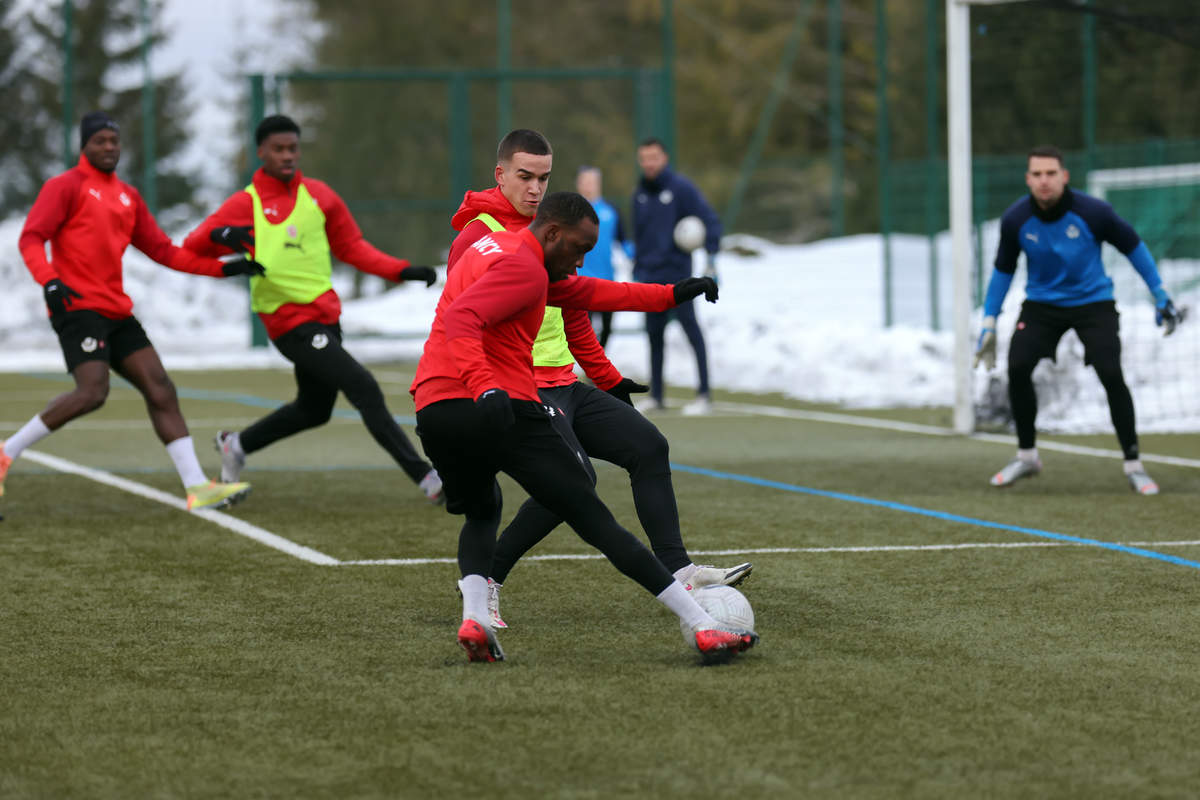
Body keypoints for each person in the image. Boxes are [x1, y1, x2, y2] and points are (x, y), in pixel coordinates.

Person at [412, 190, 757, 663]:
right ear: (551, 232)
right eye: (577, 249)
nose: (579, 262)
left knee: (483, 510)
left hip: (435, 409)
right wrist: (486, 386)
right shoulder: (523, 264)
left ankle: (475, 620)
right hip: (497, 399)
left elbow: (591, 293)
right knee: (593, 516)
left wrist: (671, 293)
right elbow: (463, 317)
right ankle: (702, 625)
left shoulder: (502, 251)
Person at [1, 111, 258, 510]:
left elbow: (165, 251)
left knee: (160, 388)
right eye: (100, 140)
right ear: (84, 144)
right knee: (92, 392)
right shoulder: (65, 186)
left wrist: (224, 268)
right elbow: (32, 238)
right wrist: (49, 281)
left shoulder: (128, 197)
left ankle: (197, 487)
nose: (108, 147)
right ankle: (6, 452)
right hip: (77, 306)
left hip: (116, 310)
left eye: (114, 141)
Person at [183, 115, 444, 503]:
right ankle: (427, 478)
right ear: (261, 153)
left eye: (293, 148)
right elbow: (192, 246)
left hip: (325, 317)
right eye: (279, 149)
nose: (287, 156)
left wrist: (401, 269)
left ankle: (236, 445)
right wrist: (222, 236)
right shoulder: (246, 203)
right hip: (287, 321)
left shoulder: (319, 195)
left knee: (314, 409)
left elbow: (352, 247)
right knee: (364, 388)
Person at [974, 145, 1183, 495]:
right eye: (1037, 174)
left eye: (1051, 173)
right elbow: (1003, 271)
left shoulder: (1094, 212)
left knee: (1110, 372)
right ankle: (1026, 457)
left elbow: (1134, 247)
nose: (1044, 181)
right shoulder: (1015, 220)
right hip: (1042, 305)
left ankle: (1133, 464)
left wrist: (1160, 294)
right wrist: (989, 320)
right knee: (1018, 366)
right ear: (1028, 179)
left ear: (1064, 176)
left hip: (1093, 303)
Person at [631, 137, 722, 415]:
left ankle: (704, 394)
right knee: (654, 335)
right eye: (645, 158)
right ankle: (657, 396)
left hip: (677, 276)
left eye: (654, 157)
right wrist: (638, 268)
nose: (649, 163)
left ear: (664, 158)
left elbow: (709, 220)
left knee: (691, 330)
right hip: (649, 276)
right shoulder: (639, 194)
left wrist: (711, 255)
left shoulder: (682, 189)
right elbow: (640, 236)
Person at [574, 165, 626, 348]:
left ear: (599, 184)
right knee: (582, 330)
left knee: (606, 328)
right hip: (580, 281)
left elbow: (624, 241)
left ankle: (596, 371)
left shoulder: (611, 211)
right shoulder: (569, 212)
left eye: (592, 181)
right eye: (584, 181)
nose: (588, 185)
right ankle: (582, 369)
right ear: (578, 184)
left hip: (607, 280)